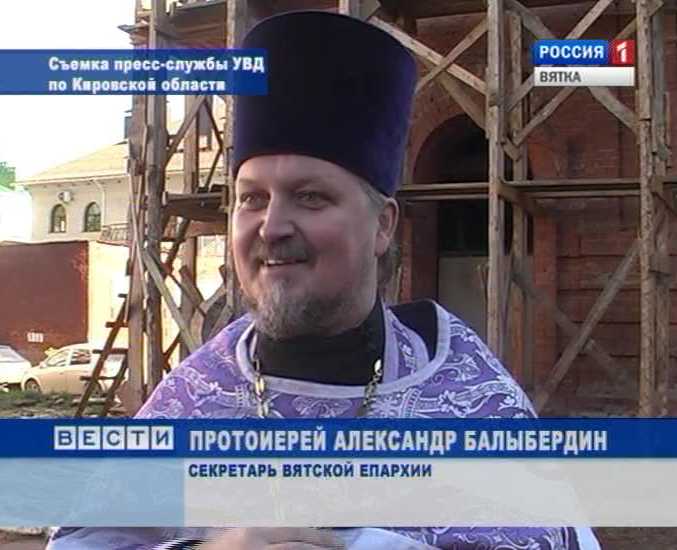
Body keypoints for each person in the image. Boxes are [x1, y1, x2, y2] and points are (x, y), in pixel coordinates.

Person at [47, 11, 600, 550]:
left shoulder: (470, 398)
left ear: (382, 226)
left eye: (310, 197)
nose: (272, 227)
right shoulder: (194, 397)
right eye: (252, 198)